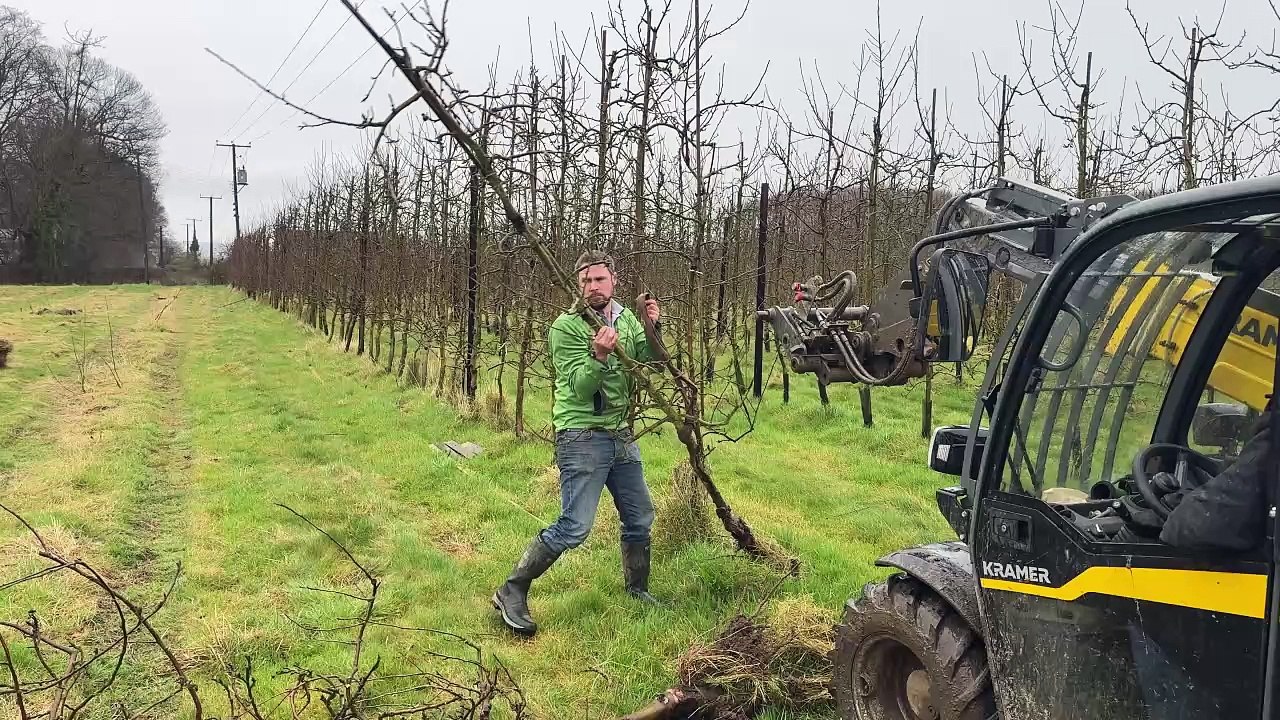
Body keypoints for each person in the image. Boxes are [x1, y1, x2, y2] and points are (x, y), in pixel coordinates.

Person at [492, 250, 663, 637]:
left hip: (620, 433)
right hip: (582, 433)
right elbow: (581, 388)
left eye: (600, 279)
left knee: (639, 517)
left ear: (613, 280)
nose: (593, 287)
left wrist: (654, 327)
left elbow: (650, 364)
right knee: (574, 528)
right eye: (586, 281)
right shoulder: (566, 327)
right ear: (577, 284)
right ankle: (512, 589)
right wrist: (599, 355)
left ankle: (637, 590)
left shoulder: (626, 318)